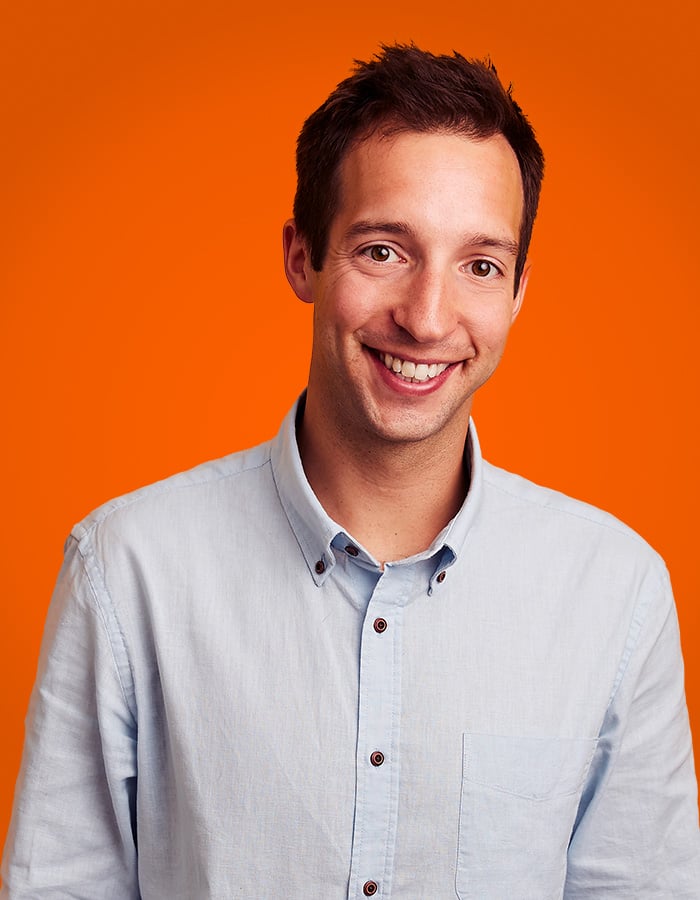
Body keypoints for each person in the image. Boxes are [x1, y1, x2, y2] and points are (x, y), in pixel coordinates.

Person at [2, 44, 699, 899]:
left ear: (517, 291)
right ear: (303, 258)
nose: (427, 316)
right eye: (383, 251)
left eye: (479, 265)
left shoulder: (614, 592)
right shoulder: (127, 568)